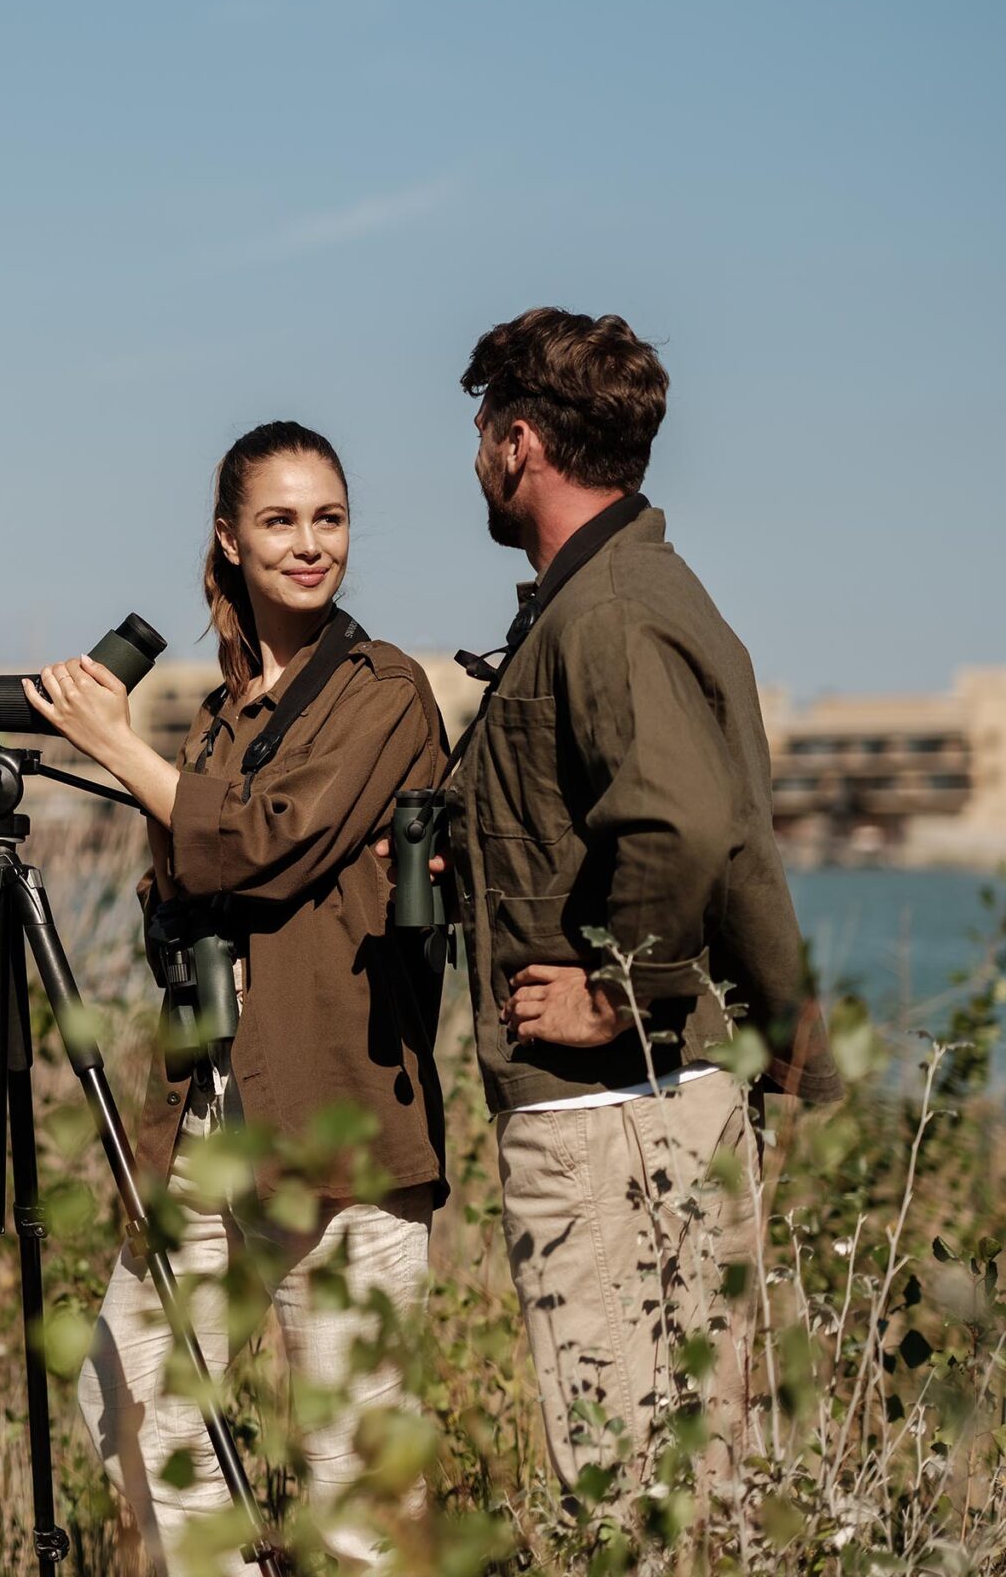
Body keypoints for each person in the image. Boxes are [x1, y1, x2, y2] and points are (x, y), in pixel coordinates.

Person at [27, 420, 448, 1573]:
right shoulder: (220, 715)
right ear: (228, 538)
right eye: (280, 520)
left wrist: (117, 745)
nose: (310, 544)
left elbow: (266, 845)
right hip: (212, 1121)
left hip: (343, 1115)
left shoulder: (382, 690)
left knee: (353, 1478)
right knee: (133, 1402)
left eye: (329, 519)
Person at [433, 307, 841, 1496]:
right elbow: (633, 813)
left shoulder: (604, 612)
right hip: (655, 1098)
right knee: (694, 1481)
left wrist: (621, 994)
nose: (474, 455)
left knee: (626, 1487)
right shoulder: (627, 590)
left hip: (612, 1105)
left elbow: (680, 820)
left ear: (518, 444)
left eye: (478, 429)